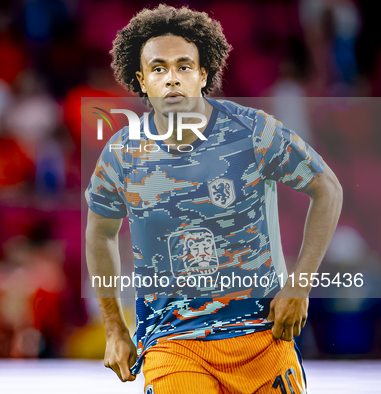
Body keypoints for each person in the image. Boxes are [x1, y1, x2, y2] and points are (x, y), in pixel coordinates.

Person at [85, 5, 343, 394]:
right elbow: (100, 232)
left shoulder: (254, 131)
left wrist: (299, 284)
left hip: (262, 335)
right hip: (172, 343)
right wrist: (114, 327)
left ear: (203, 74)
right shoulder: (121, 154)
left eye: (184, 66)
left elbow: (327, 190)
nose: (172, 79)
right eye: (158, 69)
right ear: (140, 80)